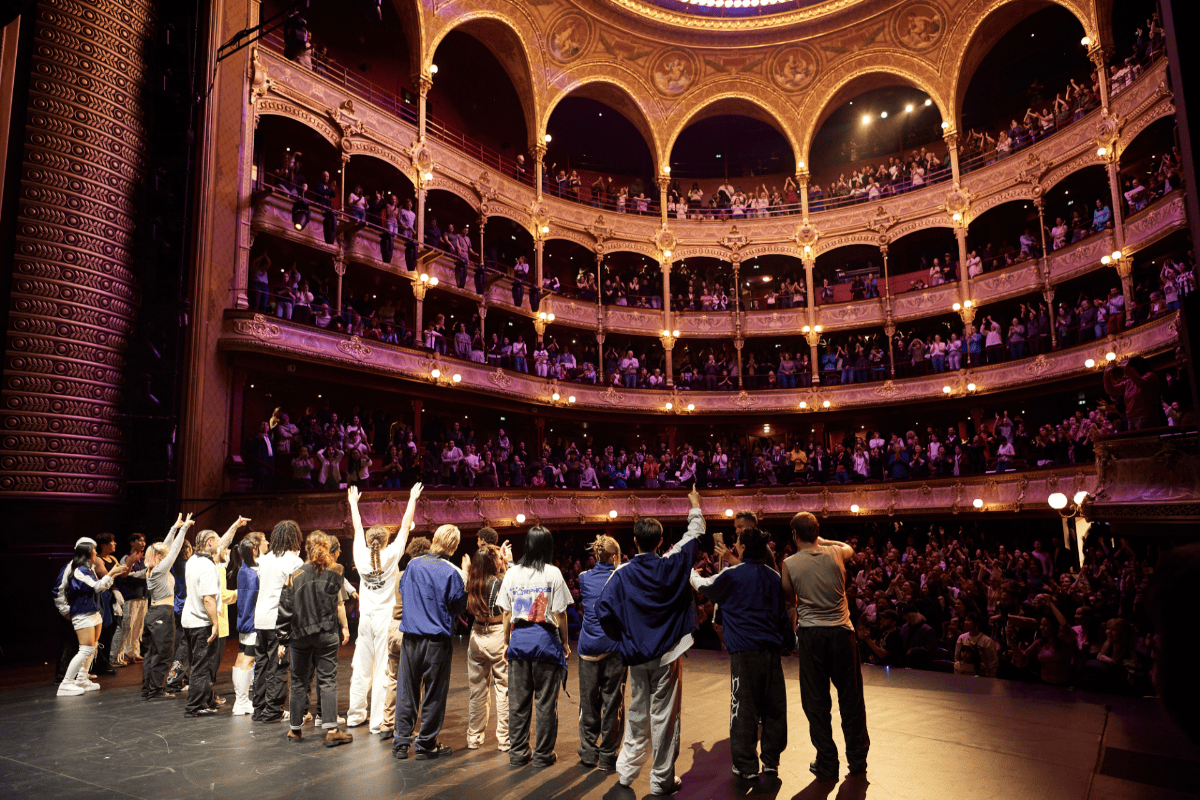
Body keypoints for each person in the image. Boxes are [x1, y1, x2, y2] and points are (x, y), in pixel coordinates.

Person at [596, 484, 707, 796]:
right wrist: (694, 504)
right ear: (660, 541)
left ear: (634, 542)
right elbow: (694, 536)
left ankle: (627, 773)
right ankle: (661, 780)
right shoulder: (672, 564)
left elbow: (602, 611)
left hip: (637, 656)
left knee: (636, 714)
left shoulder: (621, 574)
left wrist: (624, 639)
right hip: (668, 654)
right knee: (665, 717)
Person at [691, 525, 792, 782]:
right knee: (774, 708)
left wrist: (689, 573)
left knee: (743, 708)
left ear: (743, 548)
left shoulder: (734, 574)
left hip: (744, 654)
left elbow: (705, 587)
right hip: (771, 652)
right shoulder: (773, 576)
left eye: (736, 542)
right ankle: (771, 762)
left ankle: (746, 765)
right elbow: (783, 616)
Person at [781, 512, 869, 783]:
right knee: (851, 700)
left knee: (816, 702)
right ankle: (857, 762)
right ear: (817, 533)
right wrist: (822, 540)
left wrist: (790, 640)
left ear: (794, 535)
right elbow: (848, 547)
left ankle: (827, 762)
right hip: (843, 635)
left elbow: (790, 603)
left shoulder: (789, 563)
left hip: (812, 637)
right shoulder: (835, 554)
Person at [347, 483, 421, 734]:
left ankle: (355, 715)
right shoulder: (391, 556)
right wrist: (412, 498)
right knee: (382, 669)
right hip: (385, 618)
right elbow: (404, 527)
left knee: (361, 666)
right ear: (386, 541)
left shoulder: (359, 553)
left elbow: (357, 527)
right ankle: (378, 720)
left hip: (365, 618)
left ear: (369, 541)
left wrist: (353, 503)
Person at [496, 526, 571, 768]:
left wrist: (508, 642)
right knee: (546, 703)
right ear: (547, 547)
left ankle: (518, 753)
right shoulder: (554, 573)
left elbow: (506, 612)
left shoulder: (512, 573)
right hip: (546, 643)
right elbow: (560, 613)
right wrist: (566, 642)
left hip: (519, 642)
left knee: (518, 703)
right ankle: (542, 755)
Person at [392, 524, 467, 760]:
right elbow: (459, 607)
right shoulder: (452, 572)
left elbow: (404, 591)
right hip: (436, 642)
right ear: (453, 547)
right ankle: (425, 744)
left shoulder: (413, 564)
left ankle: (401, 743)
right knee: (434, 693)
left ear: (434, 539)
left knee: (407, 691)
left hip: (411, 639)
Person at [277, 531, 354, 746]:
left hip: (300, 635)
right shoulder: (337, 571)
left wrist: (282, 639)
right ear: (327, 547)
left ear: (307, 548)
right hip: (326, 634)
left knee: (299, 681)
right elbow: (337, 603)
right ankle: (331, 730)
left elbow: (285, 609)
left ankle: (295, 729)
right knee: (327, 680)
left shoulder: (295, 575)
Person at [55, 537, 129, 696]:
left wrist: (112, 576)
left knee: (93, 647)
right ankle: (66, 683)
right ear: (88, 553)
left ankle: (81, 678)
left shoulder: (88, 569)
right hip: (83, 613)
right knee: (86, 648)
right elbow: (97, 586)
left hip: (94, 611)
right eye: (94, 550)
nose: (96, 552)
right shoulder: (79, 570)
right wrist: (111, 573)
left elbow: (101, 587)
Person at [576, 535, 624, 772]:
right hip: (613, 646)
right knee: (612, 702)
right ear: (615, 557)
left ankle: (588, 753)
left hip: (587, 648)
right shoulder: (620, 577)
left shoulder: (583, 578)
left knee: (588, 703)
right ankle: (607, 756)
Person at [253, 520, 306, 723]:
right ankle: (273, 710)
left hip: (261, 618)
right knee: (278, 665)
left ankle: (259, 708)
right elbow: (294, 594)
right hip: (279, 620)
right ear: (295, 537)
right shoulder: (294, 561)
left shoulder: (264, 559)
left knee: (261, 664)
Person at [465, 542, 512, 751]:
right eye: (498, 559)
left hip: (476, 634)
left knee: (477, 690)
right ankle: (505, 740)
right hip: (496, 634)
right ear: (492, 562)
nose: (500, 561)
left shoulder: (472, 581)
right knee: (504, 689)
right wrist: (507, 562)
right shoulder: (500, 582)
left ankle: (473, 738)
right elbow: (510, 594)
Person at [141, 514, 193, 699]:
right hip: (162, 613)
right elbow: (174, 548)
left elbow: (166, 547)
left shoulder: (152, 568)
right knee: (163, 653)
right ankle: (155, 691)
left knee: (152, 653)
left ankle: (148, 688)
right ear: (160, 557)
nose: (169, 553)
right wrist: (184, 528)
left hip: (154, 613)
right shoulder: (161, 569)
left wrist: (174, 528)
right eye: (165, 553)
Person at [181, 529, 223, 716]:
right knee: (202, 665)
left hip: (190, 619)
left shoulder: (192, 560)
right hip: (201, 622)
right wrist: (215, 623)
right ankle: (195, 706)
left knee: (199, 663)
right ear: (209, 543)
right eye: (218, 542)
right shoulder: (207, 566)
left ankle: (205, 702)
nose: (220, 545)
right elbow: (208, 598)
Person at [232, 536, 263, 715]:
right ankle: (241, 701)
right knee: (248, 660)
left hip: (243, 619)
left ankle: (240, 698)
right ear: (253, 551)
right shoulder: (252, 574)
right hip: (251, 621)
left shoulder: (243, 570)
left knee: (241, 658)